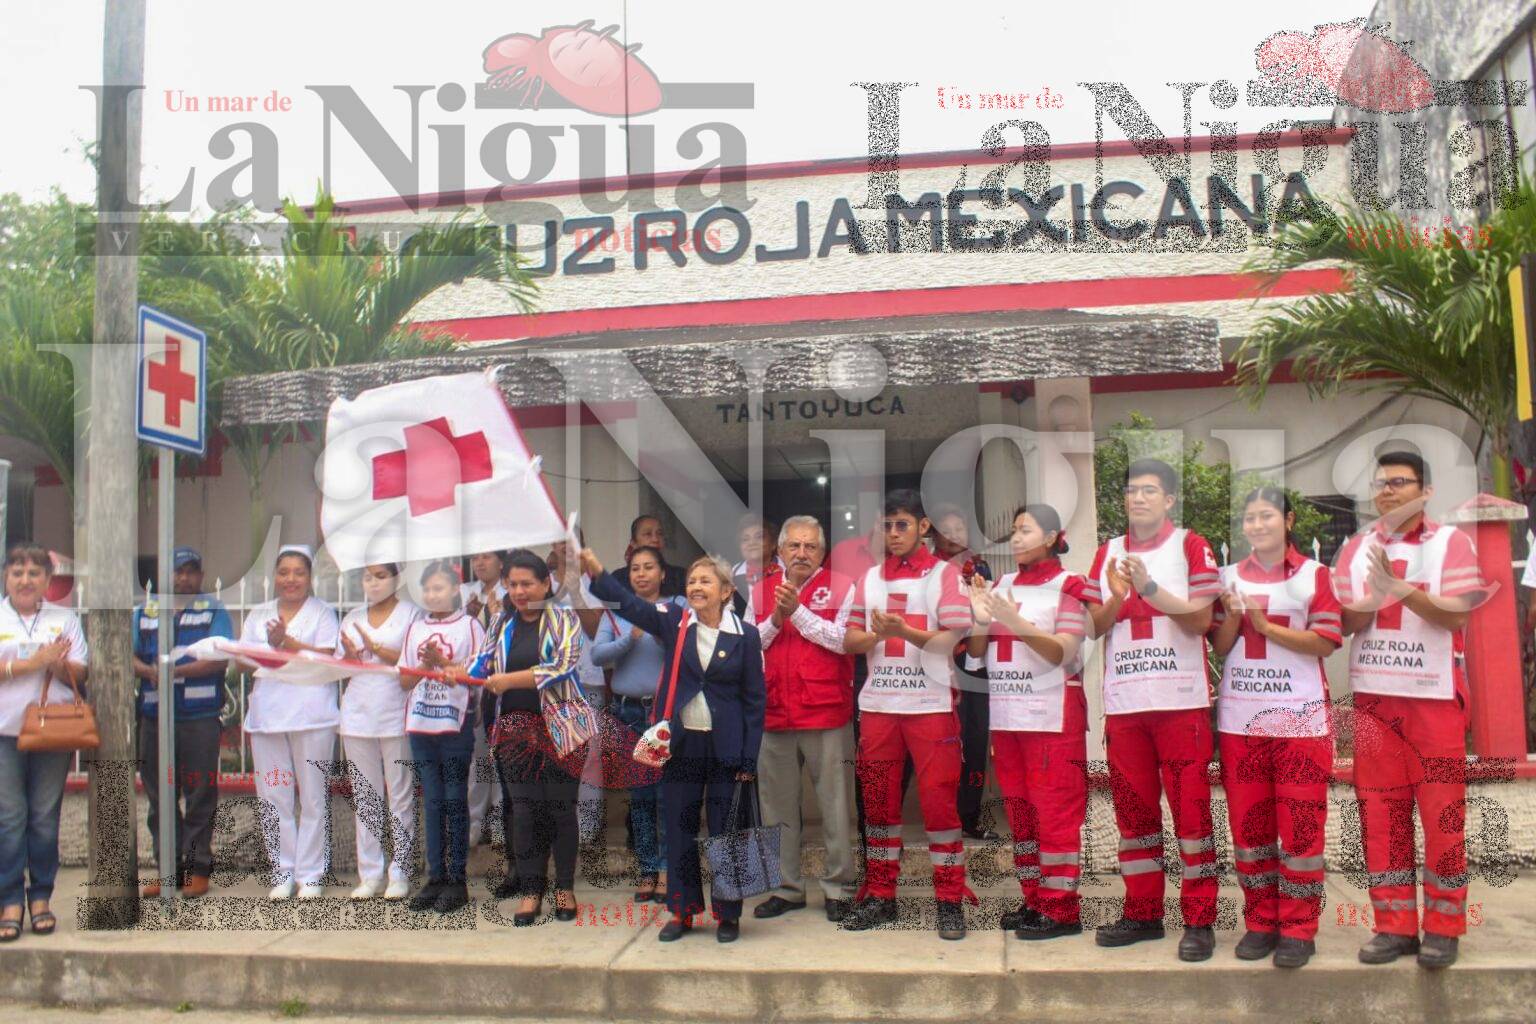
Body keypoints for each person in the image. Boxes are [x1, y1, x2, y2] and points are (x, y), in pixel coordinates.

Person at [1335, 451, 1486, 970]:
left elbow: (1457, 613)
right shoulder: (1356, 549)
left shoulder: (1452, 543)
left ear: (1425, 491)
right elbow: (1345, 624)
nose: (1387, 492)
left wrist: (1401, 589)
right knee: (1382, 818)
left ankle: (1444, 929)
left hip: (1434, 698)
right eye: (1380, 484)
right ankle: (1394, 927)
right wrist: (1373, 597)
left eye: (1399, 483)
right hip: (1376, 698)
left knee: (1443, 817)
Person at [582, 547, 765, 944]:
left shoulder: (746, 636)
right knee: (679, 829)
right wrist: (597, 573)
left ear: (726, 591)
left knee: (725, 831)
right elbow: (630, 606)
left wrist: (749, 757)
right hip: (680, 747)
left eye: (706, 581)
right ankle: (682, 910)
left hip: (726, 749)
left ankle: (728, 914)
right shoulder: (674, 622)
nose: (697, 587)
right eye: (692, 581)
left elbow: (754, 701)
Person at [1082, 458, 1222, 960]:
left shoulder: (1189, 545)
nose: (1138, 498)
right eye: (1131, 491)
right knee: (1135, 818)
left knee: (1191, 815)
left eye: (1150, 491)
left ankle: (1200, 920)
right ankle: (1143, 914)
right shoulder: (1107, 553)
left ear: (1168, 500)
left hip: (1179, 704)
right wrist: (1117, 597)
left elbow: (1203, 619)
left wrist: (1149, 588)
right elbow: (1094, 627)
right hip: (1125, 708)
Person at [1210, 488, 1341, 969]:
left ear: (1287, 521)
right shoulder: (1229, 578)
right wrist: (1239, 617)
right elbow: (1222, 646)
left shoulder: (1312, 574)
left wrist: (1266, 628)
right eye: (1249, 518)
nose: (1257, 524)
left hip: (1299, 722)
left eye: (1267, 516)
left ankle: (1300, 929)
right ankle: (1260, 922)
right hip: (1242, 721)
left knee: (1302, 832)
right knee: (1250, 830)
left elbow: (1327, 641)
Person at [840, 489, 974, 940]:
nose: (893, 533)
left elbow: (952, 641)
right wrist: (872, 636)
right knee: (879, 807)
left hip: (931, 706)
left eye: (902, 525)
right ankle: (881, 896)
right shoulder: (870, 578)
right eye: (887, 525)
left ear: (923, 527)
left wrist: (903, 631)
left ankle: (950, 901)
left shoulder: (944, 576)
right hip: (878, 707)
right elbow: (850, 640)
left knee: (939, 808)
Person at [964, 505, 1090, 941]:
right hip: (1009, 716)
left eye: (1026, 530)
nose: (1016, 538)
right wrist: (981, 616)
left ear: (1054, 536)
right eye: (1013, 530)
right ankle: (1035, 898)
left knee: (1054, 813)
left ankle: (1061, 909)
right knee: (1020, 813)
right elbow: (977, 654)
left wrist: (1013, 619)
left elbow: (1062, 651)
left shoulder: (1070, 586)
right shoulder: (1002, 584)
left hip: (1052, 716)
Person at [464, 549, 586, 924]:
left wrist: (509, 680)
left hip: (561, 727)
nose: (519, 590)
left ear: (545, 584)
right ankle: (532, 889)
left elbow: (562, 665)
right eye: (512, 583)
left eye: (527, 583)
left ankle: (564, 887)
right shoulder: (501, 622)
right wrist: (450, 668)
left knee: (561, 810)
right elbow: (481, 664)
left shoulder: (564, 617)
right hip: (514, 731)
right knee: (525, 812)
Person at [750, 516, 859, 924]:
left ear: (822, 552)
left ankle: (838, 887)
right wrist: (777, 619)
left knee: (834, 806)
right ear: (779, 551)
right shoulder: (760, 590)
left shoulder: (844, 586)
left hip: (825, 712)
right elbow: (749, 646)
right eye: (793, 545)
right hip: (774, 714)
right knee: (776, 808)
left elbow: (842, 640)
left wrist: (798, 613)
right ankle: (787, 888)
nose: (801, 553)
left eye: (810, 546)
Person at [131, 545, 233, 899]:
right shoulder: (145, 611)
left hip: (199, 717)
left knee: (200, 792)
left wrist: (173, 670)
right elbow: (125, 654)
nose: (183, 578)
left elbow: (220, 658)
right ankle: (168, 871)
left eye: (191, 571)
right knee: (160, 797)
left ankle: (197, 869)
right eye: (177, 571)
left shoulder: (214, 610)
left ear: (201, 576)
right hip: (155, 716)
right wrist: (148, 671)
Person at [240, 544, 341, 901]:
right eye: (284, 572)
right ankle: (283, 871)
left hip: (312, 717)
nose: (291, 579)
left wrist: (287, 643)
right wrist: (269, 648)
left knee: (313, 796)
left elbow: (328, 658)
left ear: (310, 577)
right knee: (275, 795)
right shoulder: (259, 614)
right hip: (268, 718)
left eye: (299, 572)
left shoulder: (323, 614)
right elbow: (241, 662)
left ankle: (311, 874)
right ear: (274, 576)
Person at [0, 542, 88, 940]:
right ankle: (10, 902)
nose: (25, 580)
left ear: (47, 581)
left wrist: (59, 664)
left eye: (34, 573)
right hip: (5, 732)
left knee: (42, 818)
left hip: (52, 732)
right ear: (7, 577)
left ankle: (40, 899)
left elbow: (81, 672)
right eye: (17, 572)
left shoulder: (64, 618)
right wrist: (31, 664)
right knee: (10, 819)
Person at [589, 545, 682, 904]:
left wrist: (660, 633)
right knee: (639, 797)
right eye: (635, 568)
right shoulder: (616, 614)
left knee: (664, 795)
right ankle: (647, 869)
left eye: (649, 567)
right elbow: (597, 656)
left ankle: (667, 869)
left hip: (661, 714)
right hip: (627, 713)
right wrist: (631, 637)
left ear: (662, 573)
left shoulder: (676, 608)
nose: (641, 574)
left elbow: (685, 650)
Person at [400, 560, 486, 914]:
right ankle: (434, 877)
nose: (433, 595)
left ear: (455, 590)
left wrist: (445, 665)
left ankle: (457, 879)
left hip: (455, 724)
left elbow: (480, 672)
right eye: (428, 589)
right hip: (421, 725)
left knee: (454, 798)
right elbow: (404, 681)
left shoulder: (470, 626)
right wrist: (426, 666)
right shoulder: (415, 628)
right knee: (432, 801)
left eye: (440, 588)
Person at [336, 563, 422, 901]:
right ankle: (369, 873)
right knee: (366, 797)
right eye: (368, 577)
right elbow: (341, 669)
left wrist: (377, 648)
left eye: (381, 576)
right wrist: (351, 656)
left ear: (397, 579)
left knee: (400, 796)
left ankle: (399, 873)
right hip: (357, 714)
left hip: (394, 712)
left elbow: (413, 660)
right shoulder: (351, 616)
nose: (373, 583)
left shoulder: (411, 614)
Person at [929, 504, 996, 841]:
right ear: (934, 534)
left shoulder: (981, 567)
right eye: (947, 528)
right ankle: (943, 817)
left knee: (975, 738)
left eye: (960, 528)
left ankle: (969, 815)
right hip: (938, 662)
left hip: (976, 661)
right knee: (942, 743)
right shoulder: (928, 571)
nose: (955, 534)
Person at [461, 550, 507, 849]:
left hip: (503, 681)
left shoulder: (511, 590)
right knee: (477, 757)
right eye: (475, 558)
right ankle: (475, 821)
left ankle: (502, 820)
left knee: (502, 754)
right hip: (470, 683)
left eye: (487, 557)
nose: (480, 563)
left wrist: (495, 613)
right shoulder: (465, 593)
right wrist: (468, 613)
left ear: (501, 562)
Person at [613, 515, 685, 596]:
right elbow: (610, 606)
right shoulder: (618, 578)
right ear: (634, 543)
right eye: (648, 534)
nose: (655, 539)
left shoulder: (680, 576)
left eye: (659, 534)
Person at [730, 514, 782, 617]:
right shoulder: (732, 574)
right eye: (745, 539)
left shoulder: (788, 571)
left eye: (759, 537)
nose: (752, 543)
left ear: (773, 544)